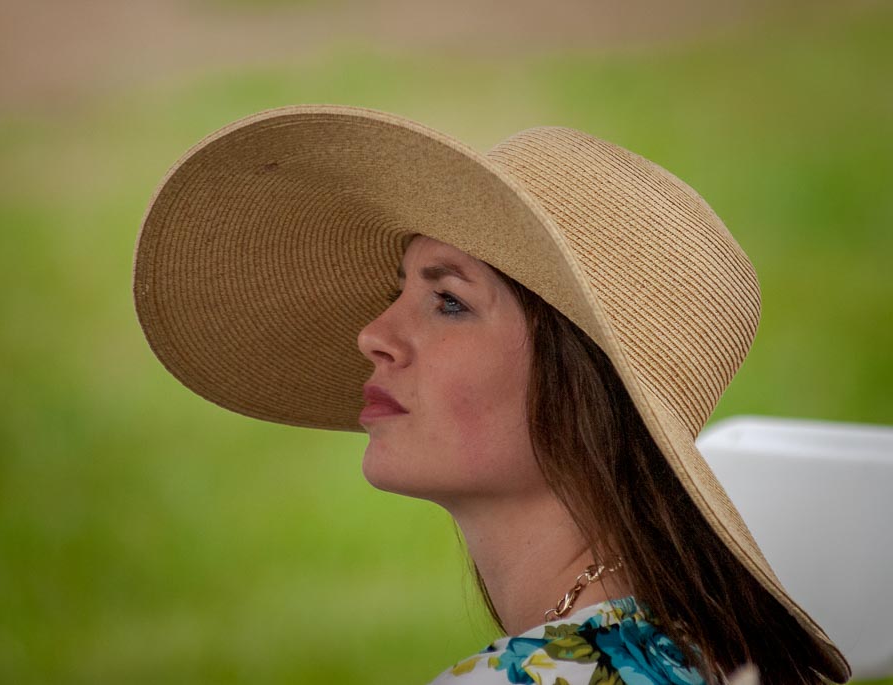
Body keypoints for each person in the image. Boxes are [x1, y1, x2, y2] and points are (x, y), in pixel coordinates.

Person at [132, 104, 850, 684]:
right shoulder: (700, 649)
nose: (372, 334)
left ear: (578, 383)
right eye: (397, 291)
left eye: (448, 301)